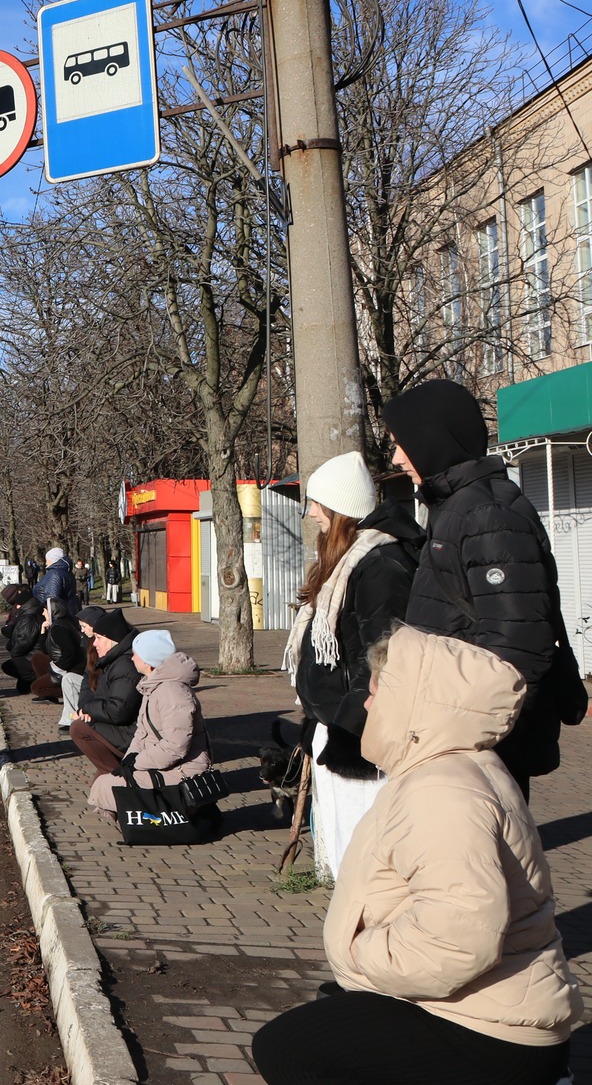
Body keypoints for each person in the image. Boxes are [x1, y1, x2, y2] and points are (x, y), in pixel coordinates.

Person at [250, 628, 581, 1085]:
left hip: (492, 1029)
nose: (367, 704)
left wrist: (361, 953)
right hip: (488, 1007)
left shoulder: (443, 790)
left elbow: (460, 936)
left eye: (378, 691)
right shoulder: (455, 767)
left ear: (416, 703)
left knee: (287, 1049)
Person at [384, 378, 580, 794]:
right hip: (454, 725)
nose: (398, 458)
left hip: (478, 737)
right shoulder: (456, 507)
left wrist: (470, 729)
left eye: (403, 444)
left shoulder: (487, 512)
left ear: (433, 440)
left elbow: (519, 644)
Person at [282, 451, 421, 880]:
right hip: (337, 723)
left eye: (317, 504)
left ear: (340, 509)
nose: (312, 514)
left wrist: (348, 729)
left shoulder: (380, 564)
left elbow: (382, 656)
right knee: (345, 851)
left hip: (360, 734)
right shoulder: (350, 560)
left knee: (365, 856)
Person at [84, 629, 213, 815]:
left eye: (135, 654)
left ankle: (148, 823)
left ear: (148, 661)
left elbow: (175, 747)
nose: (132, 658)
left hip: (184, 769)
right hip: (160, 762)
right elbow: (142, 732)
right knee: (106, 782)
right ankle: (137, 820)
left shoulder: (172, 693)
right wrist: (129, 759)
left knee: (108, 787)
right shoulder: (152, 685)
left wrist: (137, 763)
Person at [68, 606, 141, 772]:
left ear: (112, 639)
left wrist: (88, 709)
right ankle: (112, 777)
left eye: (99, 638)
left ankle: (121, 777)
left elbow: (118, 711)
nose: (94, 643)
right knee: (100, 783)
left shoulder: (124, 665)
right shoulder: (113, 660)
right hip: (122, 727)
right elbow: (89, 682)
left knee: (79, 728)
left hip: (133, 734)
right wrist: (85, 707)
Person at [0, 584, 41, 693]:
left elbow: (24, 640)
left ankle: (35, 679)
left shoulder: (28, 618)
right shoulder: (29, 613)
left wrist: (15, 653)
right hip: (32, 654)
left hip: (32, 656)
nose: (16, 607)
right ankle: (27, 683)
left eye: (19, 605)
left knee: (10, 666)